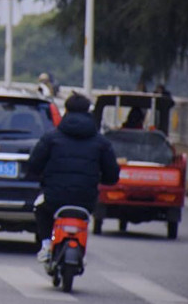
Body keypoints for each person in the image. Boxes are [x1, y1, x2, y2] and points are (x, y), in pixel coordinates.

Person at [27, 92, 120, 262]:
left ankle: (46, 244)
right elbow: (112, 175)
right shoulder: (102, 142)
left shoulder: (51, 138)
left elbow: (34, 164)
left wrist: (37, 177)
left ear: (66, 111)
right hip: (86, 199)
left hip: (54, 198)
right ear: (88, 111)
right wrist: (100, 179)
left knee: (40, 208)